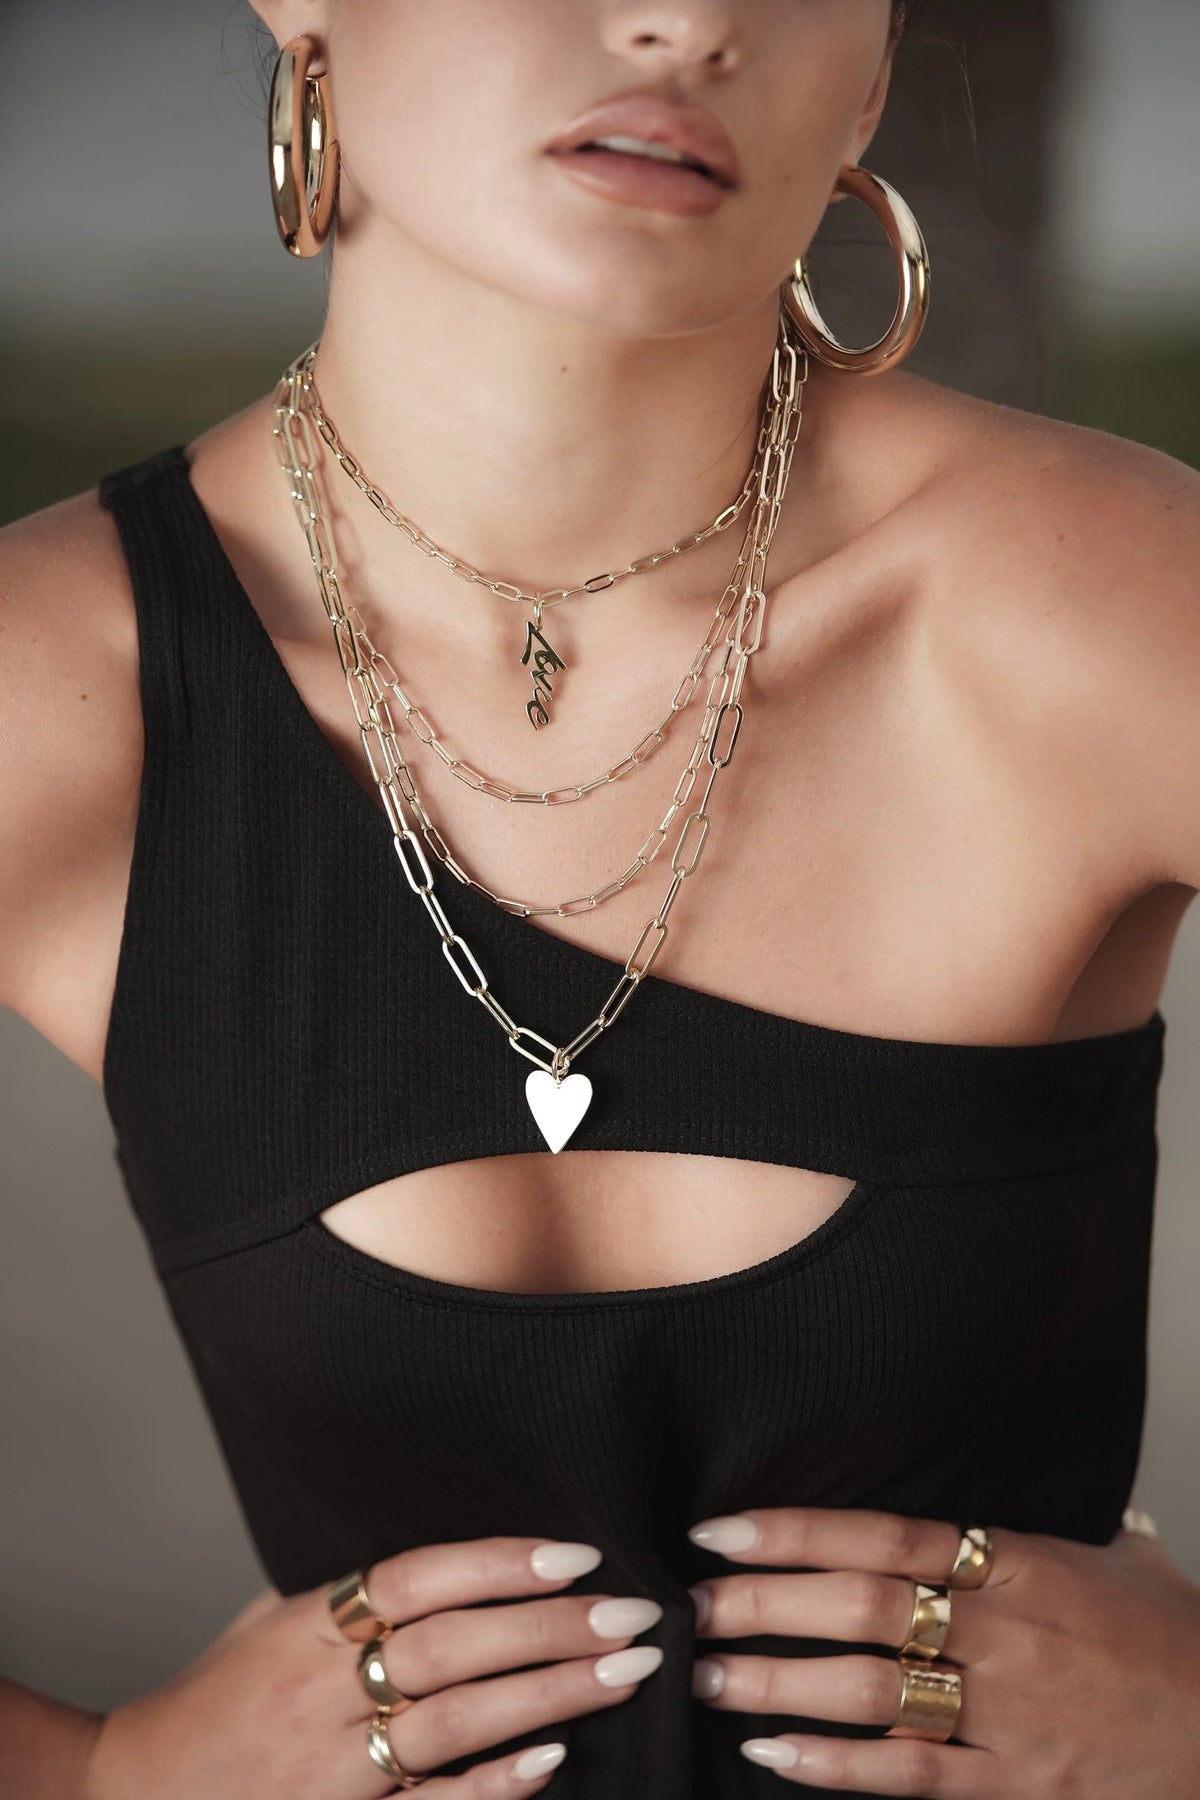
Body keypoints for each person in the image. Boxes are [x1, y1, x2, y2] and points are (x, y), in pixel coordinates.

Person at [2, 0, 1200, 1794]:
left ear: (870, 71)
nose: (688, 20)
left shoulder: (1103, 603)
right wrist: (100, 1773)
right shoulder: (51, 689)